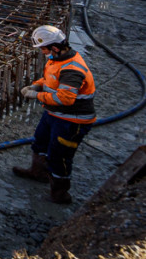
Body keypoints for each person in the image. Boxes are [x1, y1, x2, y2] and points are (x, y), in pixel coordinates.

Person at [12, 25, 96, 203]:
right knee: (40, 143)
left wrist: (35, 94)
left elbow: (65, 98)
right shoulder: (57, 59)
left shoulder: (73, 69)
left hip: (72, 121)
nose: (43, 52)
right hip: (54, 114)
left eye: (43, 48)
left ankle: (60, 193)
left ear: (55, 48)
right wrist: (36, 85)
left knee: (60, 156)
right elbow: (50, 79)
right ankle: (38, 172)